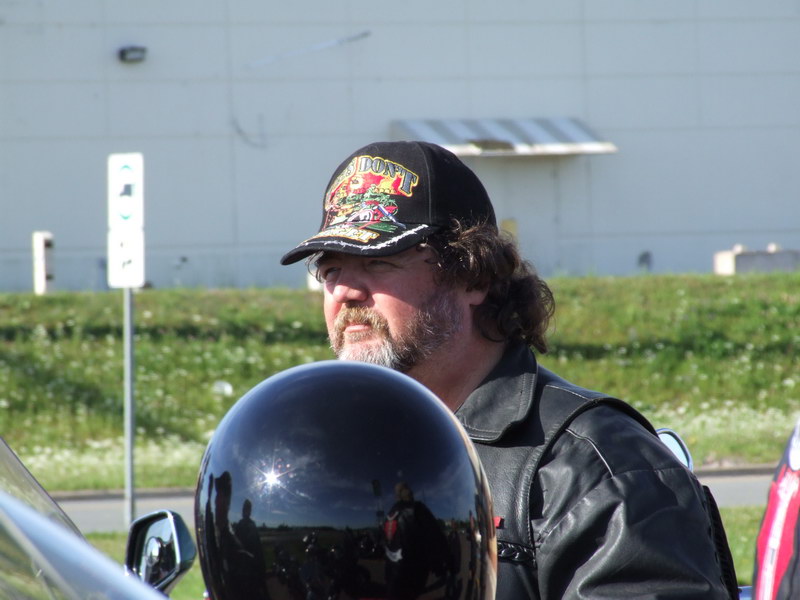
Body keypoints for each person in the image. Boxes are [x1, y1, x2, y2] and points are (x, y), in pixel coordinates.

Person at [280, 140, 735, 599]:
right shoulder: (337, 449)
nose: (345, 292)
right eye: (331, 270)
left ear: (473, 277)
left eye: (379, 262)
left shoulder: (599, 466)